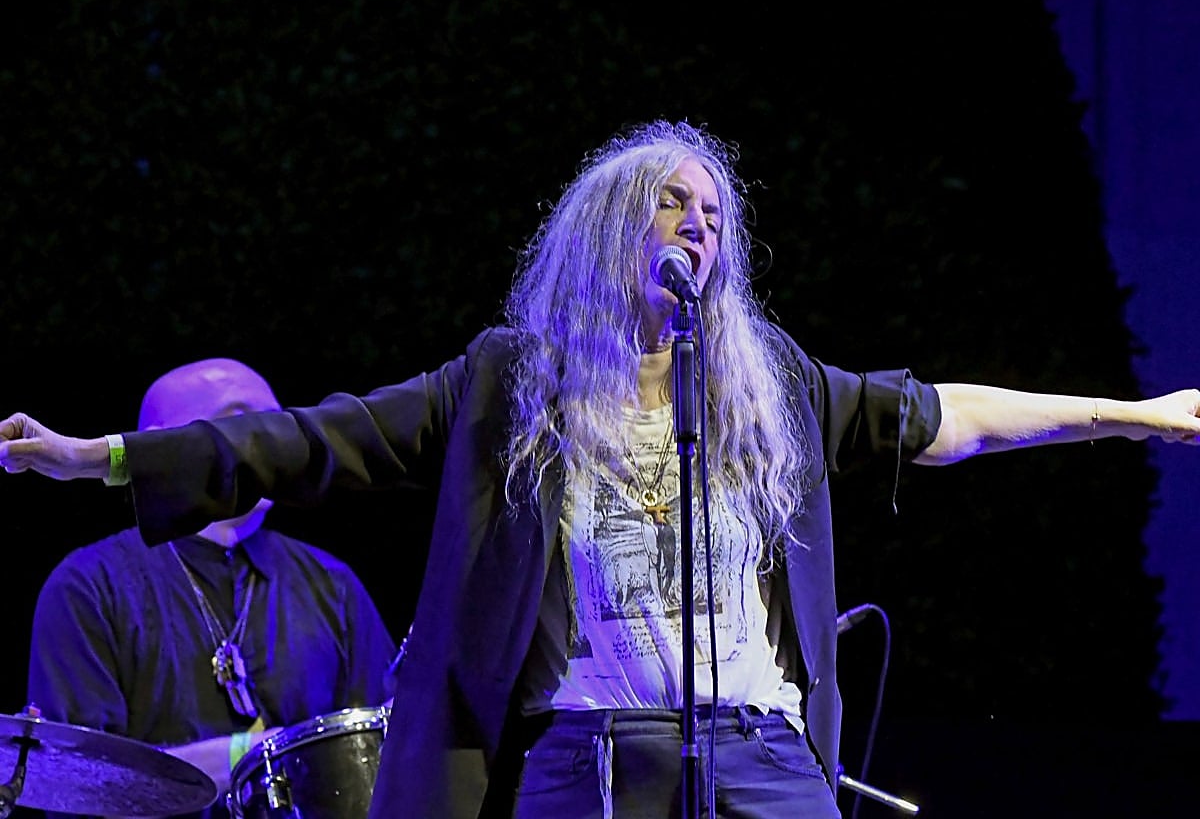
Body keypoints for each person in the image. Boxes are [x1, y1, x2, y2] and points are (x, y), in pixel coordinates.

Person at [3, 119, 1198, 819]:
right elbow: (315, 436)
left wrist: (1133, 415)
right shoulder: (508, 385)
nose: (698, 225)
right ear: (606, 231)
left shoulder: (764, 383)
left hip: (768, 756)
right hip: (592, 764)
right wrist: (103, 457)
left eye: (715, 213)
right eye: (669, 204)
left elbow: (948, 415)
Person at [22, 358, 398, 819]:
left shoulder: (333, 584)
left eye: (277, 427)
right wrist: (251, 754)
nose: (263, 446)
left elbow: (385, 749)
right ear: (158, 444)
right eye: (236, 425)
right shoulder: (89, 586)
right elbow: (79, 785)